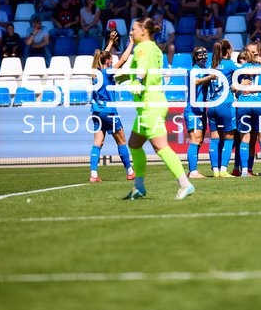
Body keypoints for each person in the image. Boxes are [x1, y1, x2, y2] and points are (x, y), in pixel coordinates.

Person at [124, 17, 195, 200]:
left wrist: (137, 80)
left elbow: (142, 68)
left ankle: (185, 184)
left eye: (133, 29)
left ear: (143, 31)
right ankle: (139, 187)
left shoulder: (142, 48)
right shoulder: (155, 48)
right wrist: (125, 77)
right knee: (134, 144)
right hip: (149, 103)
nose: (130, 32)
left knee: (160, 147)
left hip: (150, 104)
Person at [88, 38, 136, 183]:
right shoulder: (108, 72)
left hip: (96, 111)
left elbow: (102, 56)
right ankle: (130, 172)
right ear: (108, 61)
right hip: (108, 111)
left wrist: (109, 42)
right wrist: (131, 43)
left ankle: (93, 174)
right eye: (110, 58)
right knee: (121, 141)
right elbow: (123, 60)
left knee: (98, 142)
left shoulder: (95, 73)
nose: (112, 59)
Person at [234, 49, 261, 178]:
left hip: (244, 104)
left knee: (245, 138)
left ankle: (245, 170)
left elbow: (234, 88)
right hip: (259, 103)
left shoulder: (239, 69)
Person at [206, 39, 238, 177]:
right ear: (228, 51)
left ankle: (215, 170)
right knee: (229, 137)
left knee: (214, 138)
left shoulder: (211, 64)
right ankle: (224, 170)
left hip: (212, 104)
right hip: (225, 103)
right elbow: (246, 71)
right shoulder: (229, 64)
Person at [185, 46, 213, 178]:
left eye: (205, 56)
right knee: (195, 139)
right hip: (193, 110)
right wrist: (210, 77)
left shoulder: (205, 70)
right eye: (201, 56)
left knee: (200, 140)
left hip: (202, 110)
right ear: (196, 57)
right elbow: (195, 82)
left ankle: (192, 170)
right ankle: (193, 171)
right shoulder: (193, 70)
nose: (203, 59)